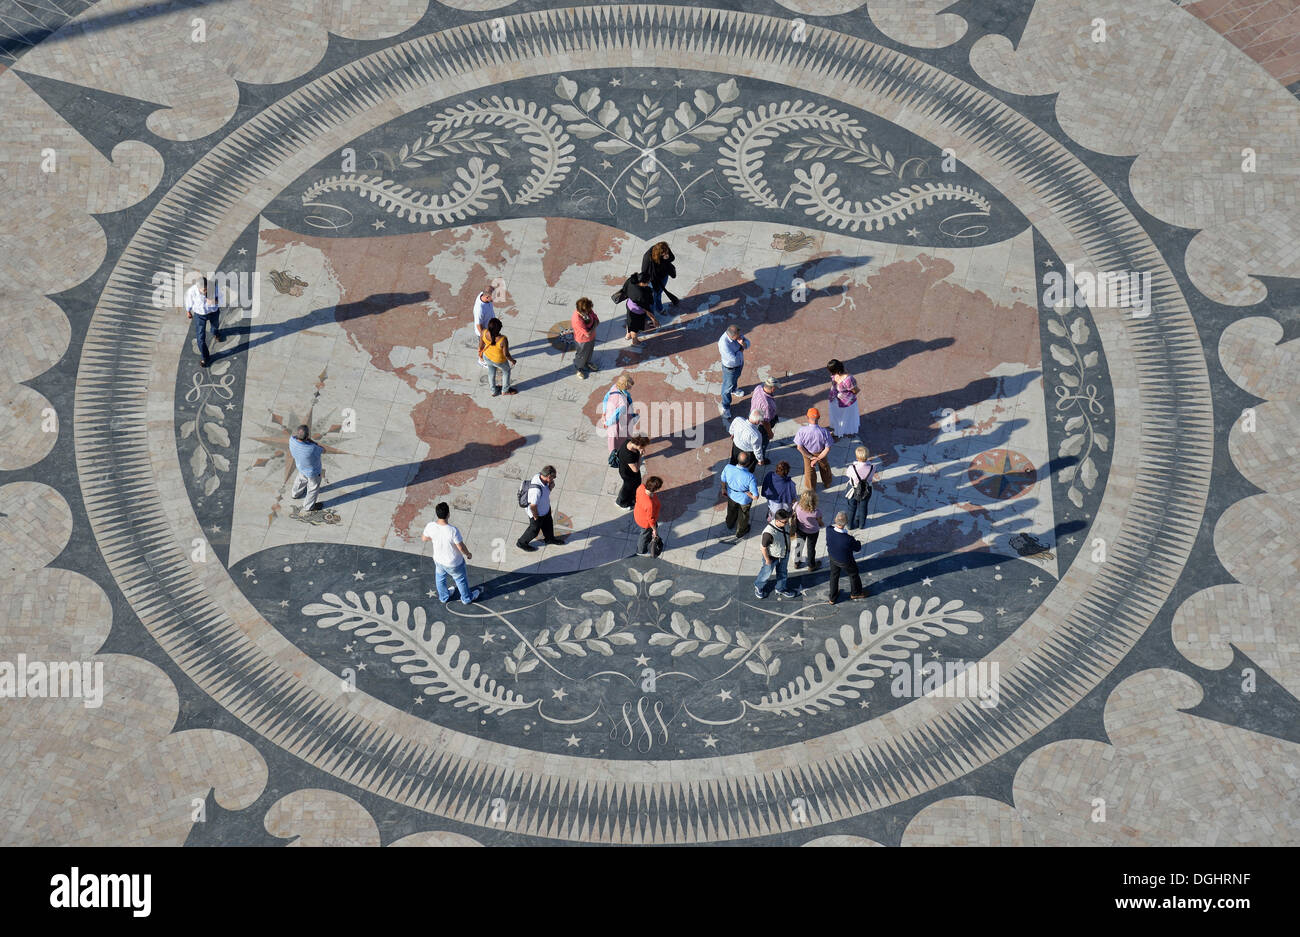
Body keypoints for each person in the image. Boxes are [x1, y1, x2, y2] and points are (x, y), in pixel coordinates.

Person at [421, 502, 481, 604]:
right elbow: (460, 547)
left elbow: (424, 538)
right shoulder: (453, 531)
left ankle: (444, 597)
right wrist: (468, 554)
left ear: (437, 514)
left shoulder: (430, 526)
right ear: (448, 514)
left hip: (438, 560)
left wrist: (436, 537)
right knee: (460, 580)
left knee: (440, 579)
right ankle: (467, 598)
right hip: (454, 563)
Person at [517, 465, 566, 551]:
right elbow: (533, 505)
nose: (554, 479)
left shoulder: (540, 477)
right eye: (553, 477)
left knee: (548, 525)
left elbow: (545, 493)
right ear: (548, 476)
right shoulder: (536, 490)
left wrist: (550, 487)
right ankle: (521, 543)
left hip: (545, 510)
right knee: (534, 530)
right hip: (537, 513)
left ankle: (549, 539)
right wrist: (535, 516)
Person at [754, 509, 800, 600]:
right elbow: (763, 548)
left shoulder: (784, 524)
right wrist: (767, 560)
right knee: (766, 574)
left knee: (783, 573)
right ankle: (758, 587)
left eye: (787, 521)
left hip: (783, 554)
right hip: (772, 557)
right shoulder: (768, 533)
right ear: (777, 520)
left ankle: (780, 588)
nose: (787, 523)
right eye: (785, 522)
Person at [825, 511, 869, 602]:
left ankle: (832, 598)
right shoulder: (848, 539)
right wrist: (858, 542)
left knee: (834, 575)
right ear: (846, 523)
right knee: (853, 574)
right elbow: (857, 548)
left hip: (833, 557)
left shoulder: (828, 530)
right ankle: (855, 593)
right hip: (845, 561)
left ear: (835, 520)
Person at [184, 275, 225, 368]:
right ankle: (205, 357)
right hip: (200, 315)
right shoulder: (192, 291)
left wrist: (214, 301)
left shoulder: (214, 288)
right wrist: (188, 311)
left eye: (207, 289)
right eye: (204, 290)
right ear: (198, 288)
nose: (206, 291)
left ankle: (216, 333)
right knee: (200, 337)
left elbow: (222, 299)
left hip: (213, 312)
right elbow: (188, 301)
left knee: (215, 326)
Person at [720, 451, 759, 540]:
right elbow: (755, 496)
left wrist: (723, 488)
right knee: (743, 516)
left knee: (731, 510)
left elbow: (723, 478)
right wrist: (749, 494)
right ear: (748, 463)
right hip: (744, 500)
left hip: (731, 495)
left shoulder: (728, 467)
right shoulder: (750, 477)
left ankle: (729, 523)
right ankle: (741, 532)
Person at [794, 408, 834, 493]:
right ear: (819, 417)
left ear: (807, 417)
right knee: (824, 467)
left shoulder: (802, 431)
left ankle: (811, 488)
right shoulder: (824, 432)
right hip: (821, 453)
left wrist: (810, 457)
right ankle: (827, 483)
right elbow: (827, 448)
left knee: (809, 471)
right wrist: (818, 458)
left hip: (807, 453)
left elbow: (799, 447)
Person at [287, 424, 324, 512]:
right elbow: (323, 450)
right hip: (313, 472)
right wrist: (312, 441)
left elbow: (296, 437)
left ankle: (295, 494)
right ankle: (308, 506)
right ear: (307, 436)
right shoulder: (312, 448)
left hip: (301, 467)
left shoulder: (291, 440)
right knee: (313, 488)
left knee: (300, 480)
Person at [718, 324, 750, 421]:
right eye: (738, 336)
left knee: (735, 378)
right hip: (730, 368)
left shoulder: (737, 335)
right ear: (732, 336)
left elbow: (748, 343)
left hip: (739, 363)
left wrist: (743, 344)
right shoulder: (723, 343)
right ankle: (725, 406)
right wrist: (741, 349)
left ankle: (734, 389)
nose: (740, 336)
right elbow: (733, 359)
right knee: (727, 387)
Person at [640, 240, 678, 316]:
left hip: (663, 276)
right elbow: (644, 272)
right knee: (652, 298)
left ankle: (659, 308)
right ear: (659, 253)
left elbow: (672, 258)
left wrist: (666, 258)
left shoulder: (665, 249)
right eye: (665, 253)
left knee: (659, 294)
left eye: (667, 252)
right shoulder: (648, 258)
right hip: (653, 280)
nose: (667, 253)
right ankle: (651, 316)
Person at [481, 317, 517, 396]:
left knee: (491, 372)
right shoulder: (503, 339)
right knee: (506, 371)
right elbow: (506, 354)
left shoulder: (484, 332)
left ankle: (493, 391)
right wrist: (512, 360)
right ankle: (505, 390)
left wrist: (480, 355)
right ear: (499, 329)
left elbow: (481, 345)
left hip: (486, 356)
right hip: (498, 360)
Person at [602, 374, 637, 454]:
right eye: (629, 386)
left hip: (609, 416)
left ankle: (616, 452)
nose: (631, 388)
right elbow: (617, 415)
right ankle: (616, 455)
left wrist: (604, 413)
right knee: (620, 439)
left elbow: (605, 399)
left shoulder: (614, 387)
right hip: (618, 423)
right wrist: (607, 423)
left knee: (614, 439)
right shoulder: (622, 401)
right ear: (625, 386)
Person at [827, 358, 860, 439]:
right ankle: (842, 431)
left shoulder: (835, 375)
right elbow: (855, 391)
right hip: (845, 401)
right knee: (846, 417)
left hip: (835, 399)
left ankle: (838, 432)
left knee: (838, 417)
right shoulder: (848, 379)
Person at [793, 489, 825, 570]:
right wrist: (821, 524)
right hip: (813, 532)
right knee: (811, 548)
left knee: (799, 545)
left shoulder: (797, 505)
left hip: (800, 529)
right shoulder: (816, 512)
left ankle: (797, 563)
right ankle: (811, 565)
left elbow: (793, 509)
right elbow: (820, 522)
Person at [748, 377, 779, 461]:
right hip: (761, 425)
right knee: (763, 442)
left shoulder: (758, 388)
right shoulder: (766, 405)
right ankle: (761, 458)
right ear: (772, 388)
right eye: (776, 388)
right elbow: (765, 422)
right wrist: (770, 433)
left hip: (753, 415)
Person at [624, 271, 659, 345]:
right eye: (648, 282)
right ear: (643, 283)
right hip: (637, 312)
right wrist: (653, 319)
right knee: (635, 328)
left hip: (629, 305)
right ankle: (635, 341)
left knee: (629, 321)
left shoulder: (631, 280)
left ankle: (628, 335)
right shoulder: (641, 294)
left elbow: (624, 288)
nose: (649, 283)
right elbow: (645, 308)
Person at [846, 445, 876, 529]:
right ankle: (861, 525)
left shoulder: (852, 467)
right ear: (867, 456)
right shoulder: (872, 467)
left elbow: (848, 474)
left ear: (856, 457)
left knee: (852, 508)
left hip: (854, 490)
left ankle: (849, 525)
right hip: (866, 490)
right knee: (863, 508)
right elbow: (870, 477)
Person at [570, 297, 600, 379]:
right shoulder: (577, 319)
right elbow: (587, 333)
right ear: (583, 311)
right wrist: (594, 325)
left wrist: (594, 325)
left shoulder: (588, 310)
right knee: (581, 355)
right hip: (582, 340)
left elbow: (596, 319)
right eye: (589, 310)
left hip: (591, 337)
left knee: (589, 351)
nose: (590, 311)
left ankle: (587, 362)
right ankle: (579, 368)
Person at [634, 475, 665, 556]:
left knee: (646, 534)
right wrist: (654, 529)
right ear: (655, 489)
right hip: (645, 522)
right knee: (644, 536)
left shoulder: (641, 487)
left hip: (639, 513)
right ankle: (640, 551)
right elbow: (650, 519)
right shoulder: (649, 504)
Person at [616, 435, 649, 509]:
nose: (643, 448)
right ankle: (621, 503)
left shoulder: (628, 442)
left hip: (630, 471)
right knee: (627, 488)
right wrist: (640, 456)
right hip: (627, 474)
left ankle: (632, 499)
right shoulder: (629, 455)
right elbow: (636, 469)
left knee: (636, 484)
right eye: (642, 447)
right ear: (639, 445)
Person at [760, 460, 797, 524]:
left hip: (772, 505)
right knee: (784, 518)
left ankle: (771, 521)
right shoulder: (790, 484)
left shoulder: (769, 475)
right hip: (785, 508)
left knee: (772, 515)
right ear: (787, 472)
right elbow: (794, 498)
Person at [473, 285, 494, 364]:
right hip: (483, 331)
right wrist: (484, 336)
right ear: (487, 297)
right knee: (482, 346)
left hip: (490, 326)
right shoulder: (479, 309)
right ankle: (481, 360)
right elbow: (479, 324)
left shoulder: (484, 295)